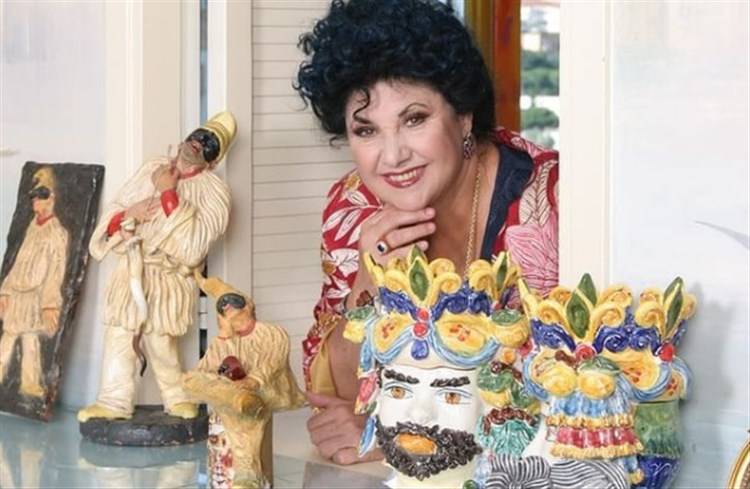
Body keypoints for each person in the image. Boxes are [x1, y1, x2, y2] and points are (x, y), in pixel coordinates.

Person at [294, 0, 559, 465]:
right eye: (366, 131)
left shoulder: (553, 203)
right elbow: (340, 395)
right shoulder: (353, 207)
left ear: (463, 115)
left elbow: (580, 392)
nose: (392, 156)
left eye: (414, 119)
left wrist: (401, 434)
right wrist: (368, 279)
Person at [77, 112, 236, 422]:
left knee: (160, 340)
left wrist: (168, 193)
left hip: (167, 276)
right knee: (120, 333)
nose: (198, 143)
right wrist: (128, 216)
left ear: (214, 159)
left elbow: (193, 246)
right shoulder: (152, 168)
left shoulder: (214, 193)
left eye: (209, 143)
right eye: (198, 135)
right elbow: (117, 210)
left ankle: (177, 399)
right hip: (132, 267)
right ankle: (113, 401)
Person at [184, 273, 305, 488]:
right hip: (233, 393)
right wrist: (223, 336)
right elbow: (203, 370)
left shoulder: (271, 332)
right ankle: (238, 399)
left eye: (236, 304)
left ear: (249, 306)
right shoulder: (225, 340)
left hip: (265, 390)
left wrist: (252, 381)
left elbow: (272, 363)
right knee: (191, 381)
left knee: (242, 410)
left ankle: (247, 475)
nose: (230, 309)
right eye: (224, 309)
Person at [0, 167, 69, 398]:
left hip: (35, 294)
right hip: (18, 291)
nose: (37, 202)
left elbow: (56, 271)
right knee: (9, 336)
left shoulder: (56, 233)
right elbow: (19, 261)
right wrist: (5, 290)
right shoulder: (32, 227)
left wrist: (50, 303)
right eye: (34, 198)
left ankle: (29, 383)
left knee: (30, 339)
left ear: (52, 198)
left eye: (42, 196)